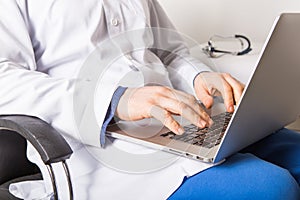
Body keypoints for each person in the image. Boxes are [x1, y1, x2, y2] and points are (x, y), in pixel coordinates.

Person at [0, 0, 300, 199]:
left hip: (180, 126)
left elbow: (169, 50)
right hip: (100, 152)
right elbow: (4, 79)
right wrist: (116, 100)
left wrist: (198, 76)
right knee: (270, 188)